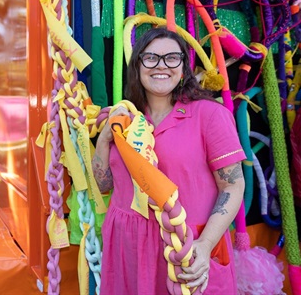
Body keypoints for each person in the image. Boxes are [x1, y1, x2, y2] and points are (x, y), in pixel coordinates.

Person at [92, 27, 246, 294]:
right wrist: (104, 141)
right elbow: (104, 184)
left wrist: (206, 244)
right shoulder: (125, 117)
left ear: (184, 68)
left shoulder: (209, 115)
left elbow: (232, 186)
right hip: (128, 247)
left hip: (186, 246)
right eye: (150, 58)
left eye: (171, 58)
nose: (161, 66)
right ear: (137, 66)